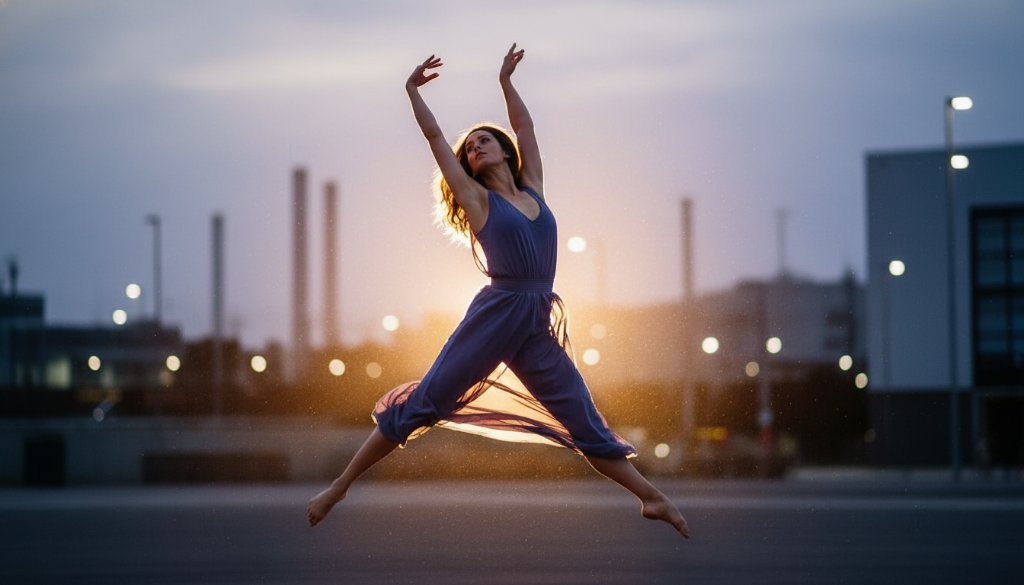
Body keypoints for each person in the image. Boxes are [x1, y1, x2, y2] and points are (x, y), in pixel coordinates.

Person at [307, 44, 689, 539]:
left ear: (504, 150)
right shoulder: (476, 198)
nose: (475, 148)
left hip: (534, 319)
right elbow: (434, 137)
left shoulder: (533, 189)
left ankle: (652, 498)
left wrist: (506, 83)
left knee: (583, 418)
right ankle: (338, 487)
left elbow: (527, 130)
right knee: (426, 403)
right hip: (497, 313)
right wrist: (410, 92)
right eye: (471, 148)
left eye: (485, 140)